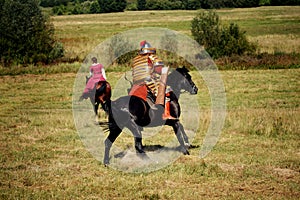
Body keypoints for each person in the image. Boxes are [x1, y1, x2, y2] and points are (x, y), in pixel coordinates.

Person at [129, 40, 174, 120]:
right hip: (148, 82)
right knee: (167, 90)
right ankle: (166, 114)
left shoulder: (135, 60)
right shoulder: (151, 57)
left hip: (135, 84)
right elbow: (159, 70)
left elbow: (134, 73)